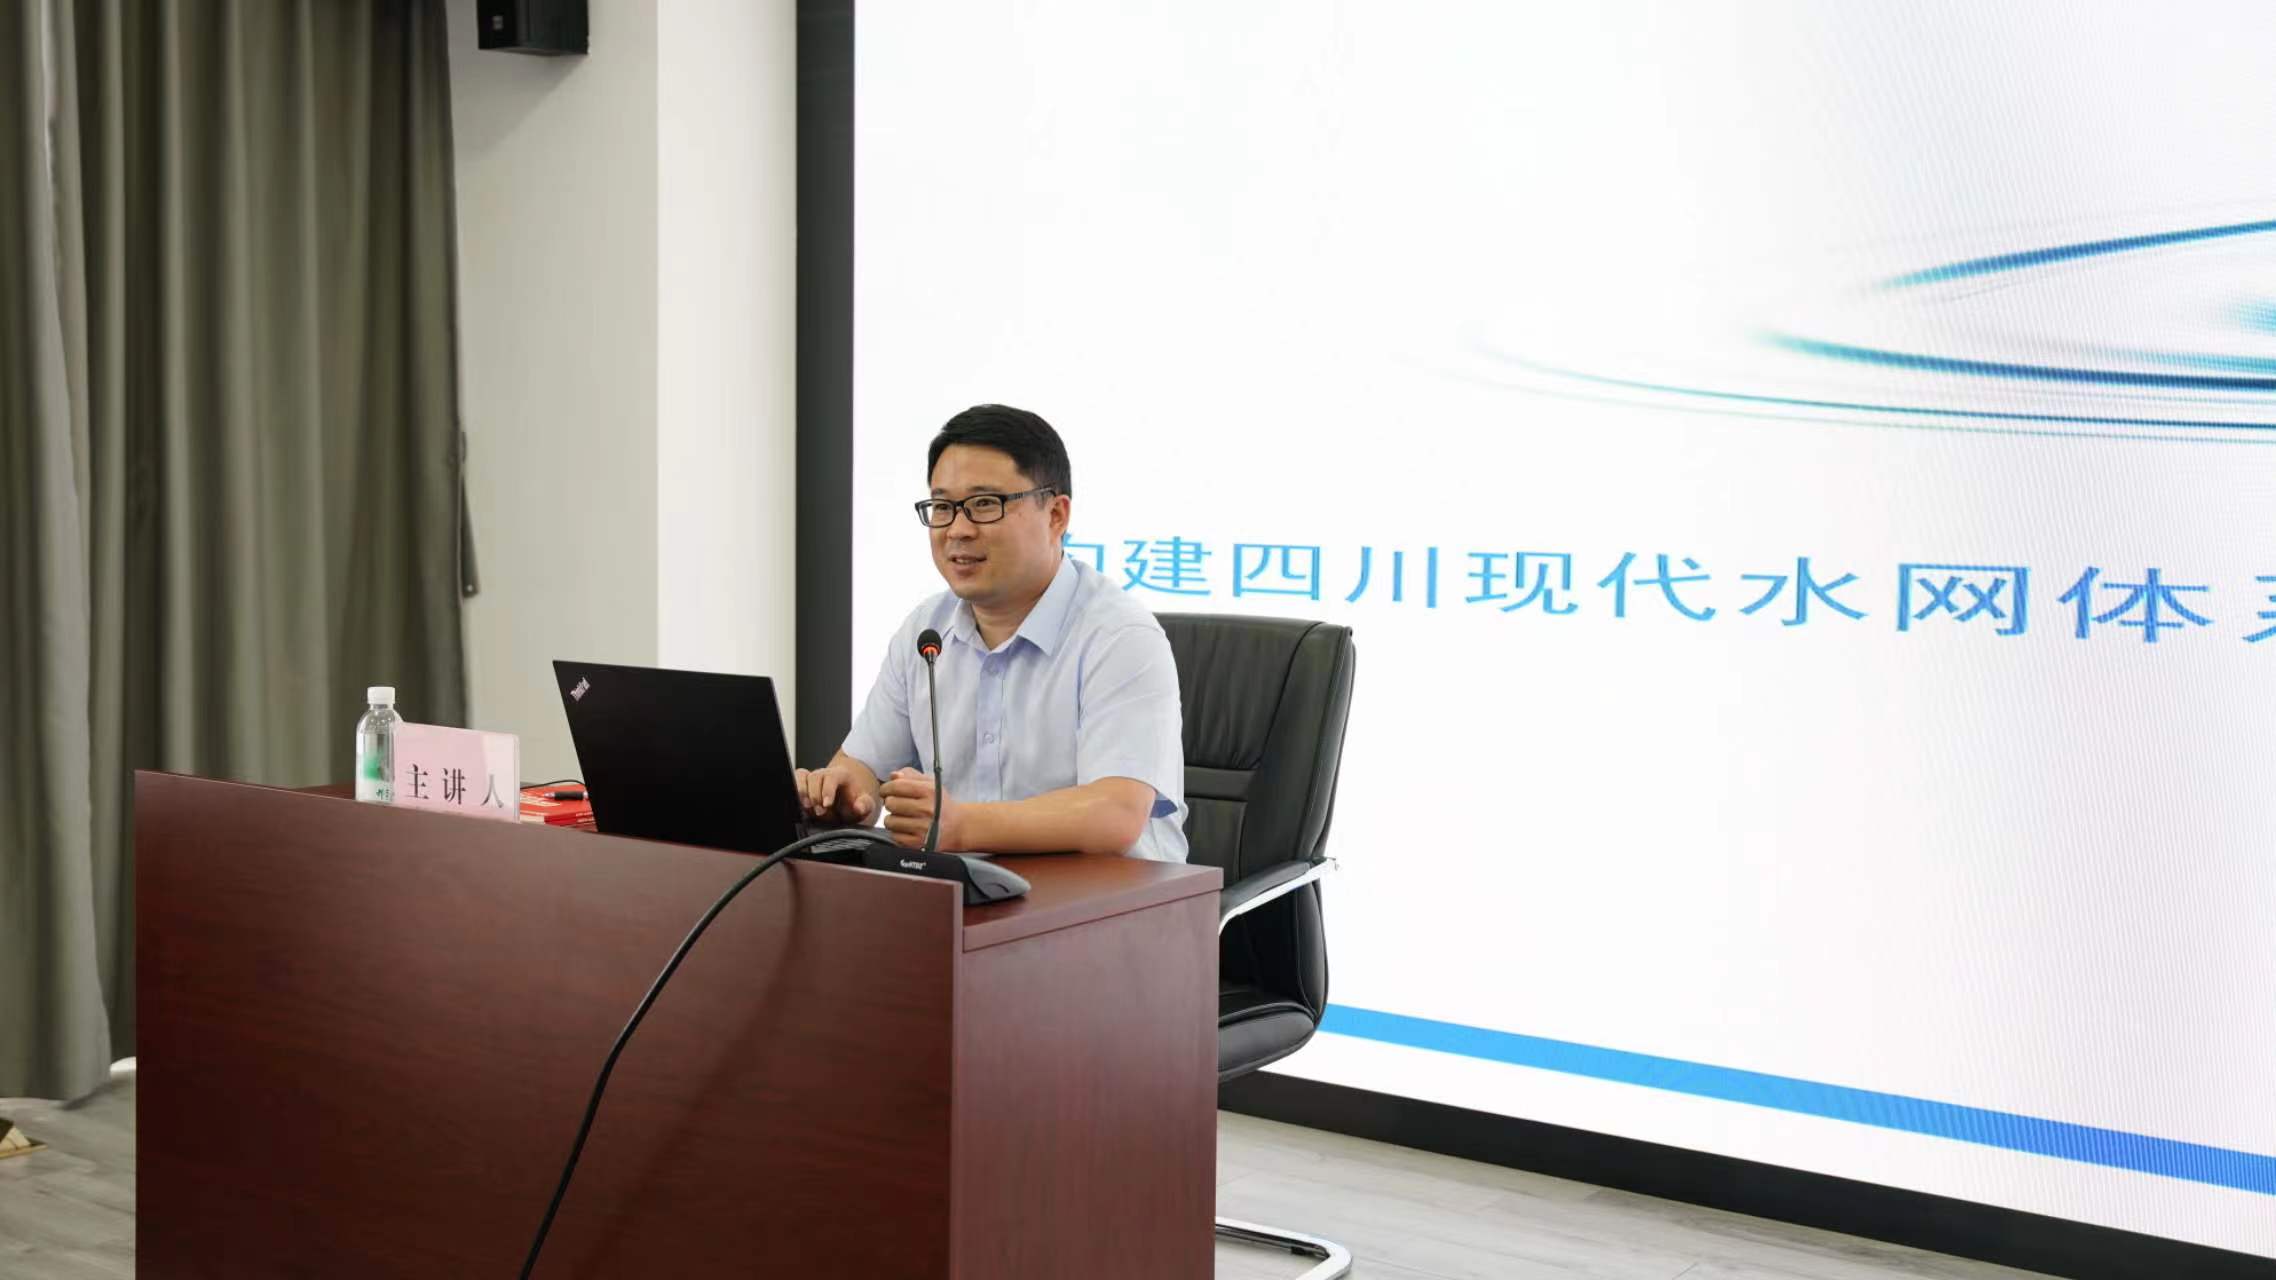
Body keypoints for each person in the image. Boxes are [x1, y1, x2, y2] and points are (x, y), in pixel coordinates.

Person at [797, 405, 1189, 861]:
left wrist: (962, 825)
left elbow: (1115, 813)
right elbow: (863, 765)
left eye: (985, 504)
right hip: (969, 895)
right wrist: (842, 795)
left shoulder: (1120, 636)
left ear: (1056, 515)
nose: (958, 530)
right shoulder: (926, 631)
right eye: (943, 507)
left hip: (1110, 899)